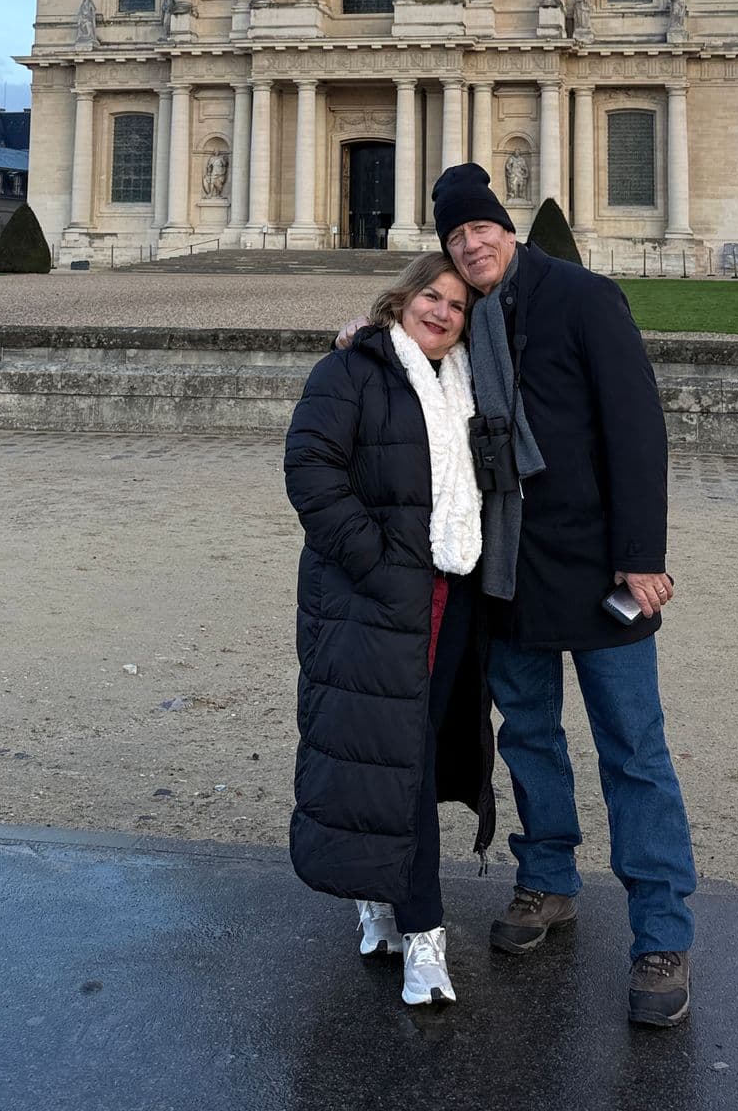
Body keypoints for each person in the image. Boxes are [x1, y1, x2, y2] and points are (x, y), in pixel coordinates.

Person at [344, 163, 696, 1026]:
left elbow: (636, 428)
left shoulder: (584, 297)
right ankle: (547, 881)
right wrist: (363, 335)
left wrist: (640, 554)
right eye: (457, 238)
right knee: (530, 737)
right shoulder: (464, 319)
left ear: (509, 228)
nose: (472, 246)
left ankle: (661, 934)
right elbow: (409, 365)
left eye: (481, 230)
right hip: (505, 570)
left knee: (634, 751)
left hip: (600, 567)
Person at [285, 252, 494, 1008]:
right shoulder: (349, 370)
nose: (441, 311)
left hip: (450, 596)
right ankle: (425, 932)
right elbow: (310, 467)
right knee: (391, 756)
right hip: (376, 598)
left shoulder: (469, 381)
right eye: (430, 296)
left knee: (405, 758)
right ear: (401, 299)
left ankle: (378, 899)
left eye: (458, 305)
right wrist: (376, 565)